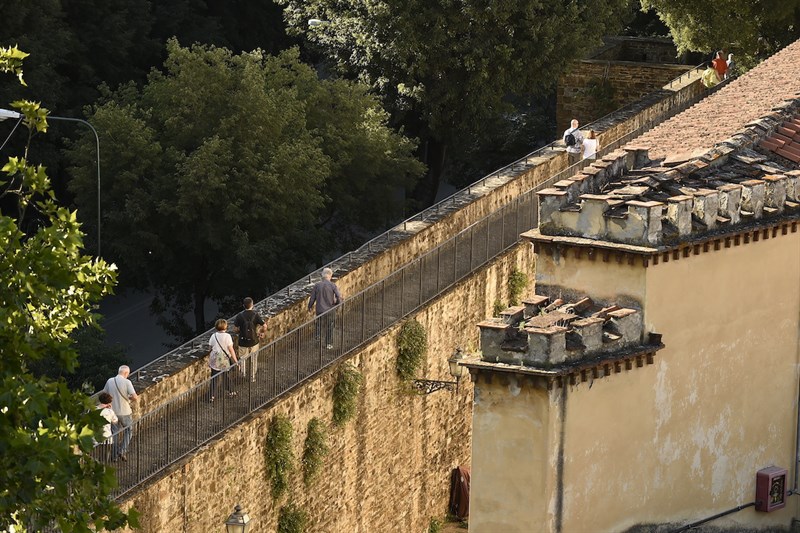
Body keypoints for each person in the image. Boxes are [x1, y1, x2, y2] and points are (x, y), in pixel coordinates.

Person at [102, 365, 138, 461]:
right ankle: (122, 450)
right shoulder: (127, 382)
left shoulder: (110, 381)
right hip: (125, 412)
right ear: (126, 373)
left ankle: (114, 456)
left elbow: (104, 394)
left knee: (115, 434)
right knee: (129, 431)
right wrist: (128, 398)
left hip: (113, 412)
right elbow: (135, 397)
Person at [308, 267, 343, 349]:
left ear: (322, 276)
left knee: (319, 324)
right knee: (330, 325)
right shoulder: (332, 285)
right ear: (330, 276)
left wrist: (309, 306)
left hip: (320, 309)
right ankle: (328, 343)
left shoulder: (317, 285)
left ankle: (317, 338)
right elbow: (338, 296)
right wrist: (338, 304)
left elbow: (312, 298)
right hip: (330, 309)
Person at [234, 297, 265, 382]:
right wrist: (262, 333)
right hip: (254, 341)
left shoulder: (239, 316)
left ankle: (243, 375)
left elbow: (235, 329)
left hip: (243, 342)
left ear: (243, 305)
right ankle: (252, 377)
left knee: (242, 359)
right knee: (254, 360)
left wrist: (240, 331)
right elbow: (264, 325)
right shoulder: (255, 315)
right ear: (252, 305)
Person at [208, 318, 238, 401]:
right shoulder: (227, 336)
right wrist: (235, 361)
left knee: (214, 377)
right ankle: (231, 391)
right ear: (225, 327)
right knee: (226, 376)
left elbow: (210, 347)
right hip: (223, 358)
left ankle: (212, 396)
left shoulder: (213, 336)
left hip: (214, 358)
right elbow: (231, 349)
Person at [96, 392, 118, 462]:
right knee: (105, 456)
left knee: (95, 455)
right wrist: (111, 409)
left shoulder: (94, 409)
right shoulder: (109, 411)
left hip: (95, 436)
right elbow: (115, 421)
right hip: (107, 436)